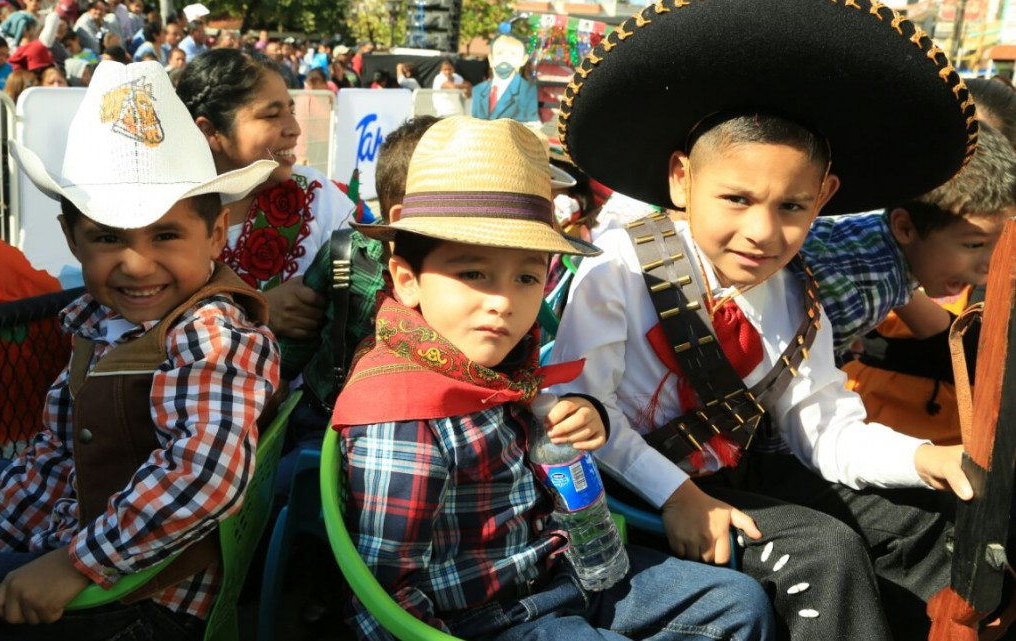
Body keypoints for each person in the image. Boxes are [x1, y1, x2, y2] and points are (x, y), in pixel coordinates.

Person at [550, 1, 983, 639]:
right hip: (626, 492)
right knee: (821, 551)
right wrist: (677, 495)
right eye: (736, 199)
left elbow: (827, 431)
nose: (762, 231)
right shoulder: (618, 270)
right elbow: (578, 415)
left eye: (792, 206)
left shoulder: (794, 296)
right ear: (681, 179)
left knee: (924, 522)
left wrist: (927, 459)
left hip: (734, 478)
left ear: (826, 198)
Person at [0, 60, 281, 641]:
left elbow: (204, 473)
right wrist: (17, 554)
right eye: (109, 237)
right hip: (114, 550)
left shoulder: (211, 332)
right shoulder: (103, 320)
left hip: (144, 597)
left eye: (165, 235)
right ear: (73, 239)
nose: (137, 264)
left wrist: (69, 566)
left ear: (215, 236)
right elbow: (59, 448)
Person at [331, 116, 775, 641]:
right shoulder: (402, 412)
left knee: (738, 603)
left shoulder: (501, 367)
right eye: (472, 273)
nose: (502, 301)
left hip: (564, 577)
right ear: (407, 280)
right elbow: (383, 598)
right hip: (487, 620)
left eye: (526, 277)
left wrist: (591, 417)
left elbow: (549, 455)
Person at [819, 123, 1016, 445]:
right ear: (905, 228)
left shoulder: (875, 238)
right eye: (974, 245)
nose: (989, 264)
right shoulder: (860, 290)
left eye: (1001, 244)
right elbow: (791, 383)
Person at [275, 114, 439, 494]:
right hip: (322, 417)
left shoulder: (459, 278)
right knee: (286, 495)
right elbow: (301, 336)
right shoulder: (344, 253)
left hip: (407, 433)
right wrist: (277, 387)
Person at [177, 49, 355, 340]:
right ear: (211, 131)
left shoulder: (318, 197)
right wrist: (257, 311)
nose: (295, 129)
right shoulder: (164, 211)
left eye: (291, 111)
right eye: (272, 115)